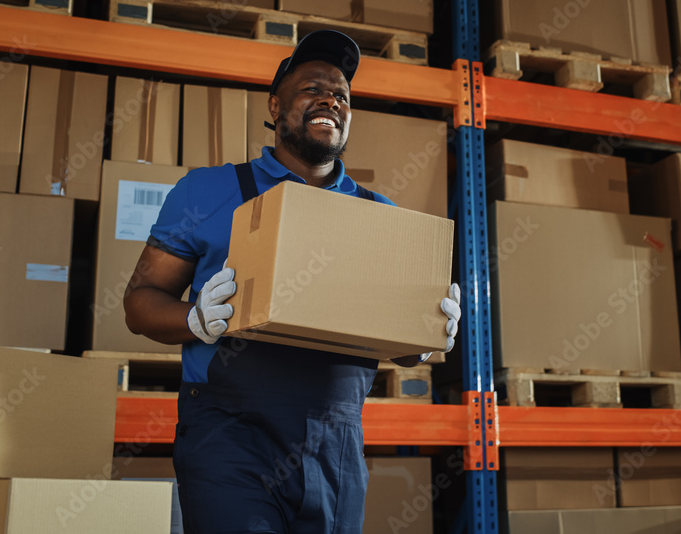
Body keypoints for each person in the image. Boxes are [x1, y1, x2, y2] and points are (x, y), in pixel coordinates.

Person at [124, 30, 461, 533]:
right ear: (276, 105)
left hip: (335, 444)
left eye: (342, 95)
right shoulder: (209, 190)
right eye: (313, 88)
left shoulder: (380, 218)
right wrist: (195, 320)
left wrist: (432, 332)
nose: (331, 99)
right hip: (231, 438)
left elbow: (406, 349)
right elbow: (139, 304)